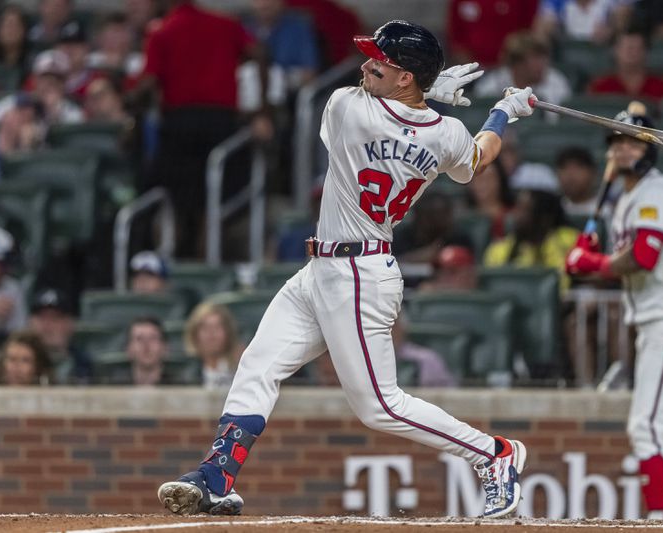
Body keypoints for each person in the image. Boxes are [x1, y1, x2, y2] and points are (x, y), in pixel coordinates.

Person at [157, 19, 533, 518]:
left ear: (404, 76)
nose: (365, 64)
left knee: (379, 405)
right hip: (323, 268)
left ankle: (494, 454)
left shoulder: (345, 108)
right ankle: (216, 475)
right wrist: (504, 111)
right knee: (258, 364)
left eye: (381, 61)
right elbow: (478, 160)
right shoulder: (447, 135)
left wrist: (426, 90)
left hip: (359, 274)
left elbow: (387, 109)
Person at [565, 103, 663, 519]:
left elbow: (644, 256)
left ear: (649, 149)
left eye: (632, 142)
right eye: (616, 142)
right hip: (661, 319)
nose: (622, 150)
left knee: (645, 426)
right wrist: (591, 252)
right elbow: (624, 258)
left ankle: (661, 518)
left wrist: (589, 263)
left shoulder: (658, 190)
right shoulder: (626, 200)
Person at [131, 0, 272, 259]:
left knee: (174, 201)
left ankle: (173, 262)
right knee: (212, 204)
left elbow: (149, 81)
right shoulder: (226, 24)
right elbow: (259, 54)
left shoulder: (162, 30)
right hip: (221, 123)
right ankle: (207, 262)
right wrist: (262, 107)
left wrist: (129, 103)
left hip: (179, 125)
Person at [483, 187, 578, 291]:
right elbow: (490, 288)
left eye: (525, 210)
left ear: (544, 219)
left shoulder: (565, 243)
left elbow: (560, 287)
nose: (517, 215)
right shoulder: (498, 250)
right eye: (517, 208)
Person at [474, 31, 572, 111]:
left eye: (543, 58)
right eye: (535, 58)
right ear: (517, 63)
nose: (542, 65)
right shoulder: (491, 86)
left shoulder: (557, 82)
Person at [588, 28, 663, 102]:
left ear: (646, 52)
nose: (632, 53)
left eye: (637, 48)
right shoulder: (600, 87)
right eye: (628, 48)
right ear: (615, 51)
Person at [27, 287, 92, 385]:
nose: (47, 325)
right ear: (30, 322)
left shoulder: (85, 365)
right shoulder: (17, 363)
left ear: (70, 324)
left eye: (55, 318)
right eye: (42, 318)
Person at [445, 0, 540, 66]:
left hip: (510, 67)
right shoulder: (460, 2)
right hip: (473, 69)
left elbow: (529, 30)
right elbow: (456, 36)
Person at [183, 302, 244, 389]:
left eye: (217, 327)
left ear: (228, 332)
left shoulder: (241, 370)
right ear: (195, 334)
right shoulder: (187, 375)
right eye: (205, 328)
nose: (211, 333)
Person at [392, 313, 457, 387]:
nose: (389, 332)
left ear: (403, 328)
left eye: (393, 326)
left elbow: (450, 394)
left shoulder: (428, 359)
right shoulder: (376, 361)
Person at [0, 5, 32, 82]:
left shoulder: (32, 61)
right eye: (6, 25)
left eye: (15, 25)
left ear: (24, 30)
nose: (10, 31)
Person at [124, 316, 173, 386]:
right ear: (128, 349)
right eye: (139, 339)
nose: (146, 345)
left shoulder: (182, 389)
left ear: (165, 348)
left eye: (153, 338)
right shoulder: (112, 389)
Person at [555, 146, 601, 216]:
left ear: (593, 173)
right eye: (564, 167)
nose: (570, 175)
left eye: (578, 167)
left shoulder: (607, 210)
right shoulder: (551, 211)